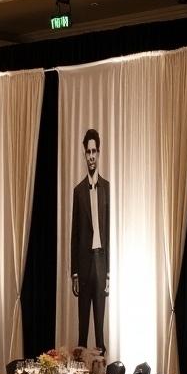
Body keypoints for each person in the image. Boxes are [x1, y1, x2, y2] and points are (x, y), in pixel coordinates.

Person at [71, 127, 110, 354]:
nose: (92, 155)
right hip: (84, 267)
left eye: (95, 151)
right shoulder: (78, 192)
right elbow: (74, 235)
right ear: (84, 154)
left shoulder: (107, 188)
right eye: (88, 151)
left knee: (100, 334)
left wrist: (109, 272)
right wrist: (74, 271)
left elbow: (108, 231)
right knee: (83, 332)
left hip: (101, 262)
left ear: (99, 152)